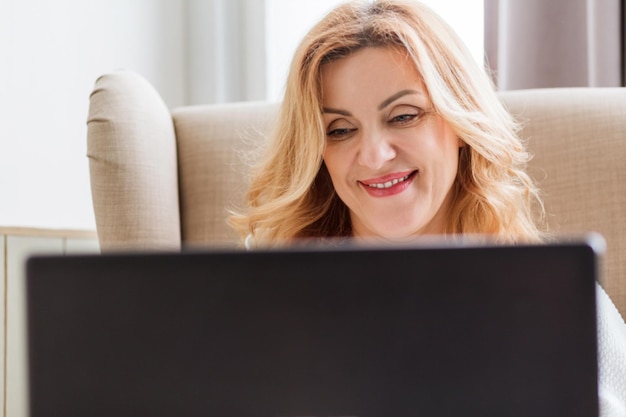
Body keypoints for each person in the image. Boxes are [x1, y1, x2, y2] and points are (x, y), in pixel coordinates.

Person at [230, 0, 626, 415]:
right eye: (341, 130)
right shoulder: (269, 296)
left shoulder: (557, 300)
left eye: (403, 116)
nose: (374, 155)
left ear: (460, 124)